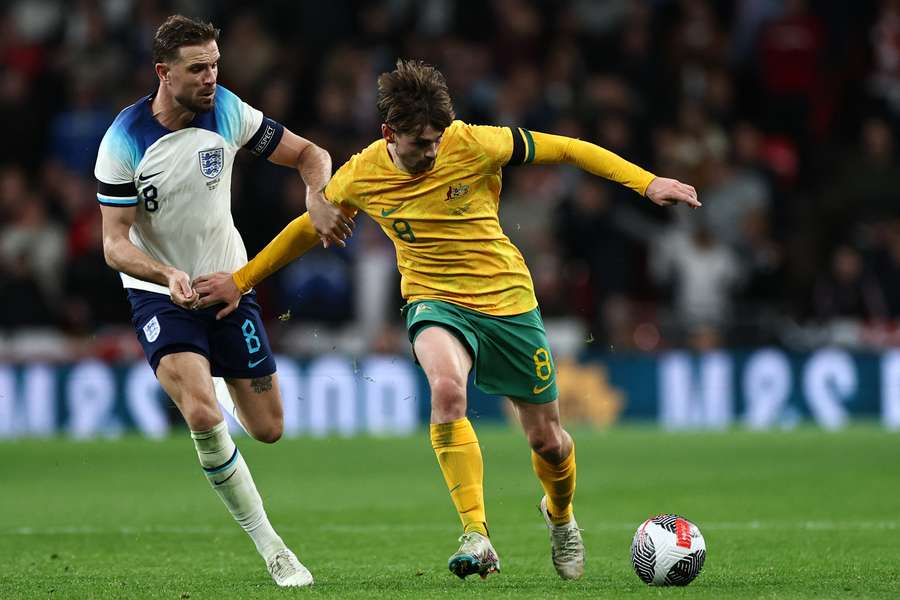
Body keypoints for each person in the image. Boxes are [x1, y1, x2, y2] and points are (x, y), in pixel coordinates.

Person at [193, 59, 699, 581]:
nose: (432, 151)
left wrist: (646, 183)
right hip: (434, 301)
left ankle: (561, 516)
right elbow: (307, 227)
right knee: (447, 391)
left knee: (548, 440)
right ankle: (476, 534)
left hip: (507, 300)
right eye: (420, 143)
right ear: (390, 133)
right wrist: (242, 279)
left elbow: (568, 148)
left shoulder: (475, 142)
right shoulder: (363, 172)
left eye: (437, 140)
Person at [94, 15, 352, 588]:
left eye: (215, 64)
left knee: (268, 428)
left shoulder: (230, 111)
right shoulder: (123, 141)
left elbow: (311, 154)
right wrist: (165, 274)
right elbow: (113, 244)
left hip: (230, 284)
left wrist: (317, 196)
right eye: (197, 68)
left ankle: (208, 379)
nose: (211, 76)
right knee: (205, 418)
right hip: (160, 292)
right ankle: (274, 550)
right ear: (163, 72)